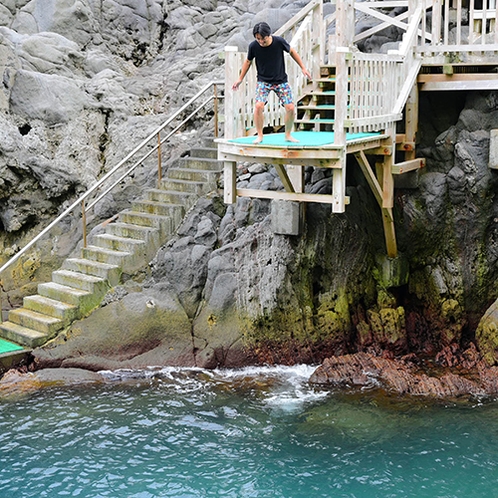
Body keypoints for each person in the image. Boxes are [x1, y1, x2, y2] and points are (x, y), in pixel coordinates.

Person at [232, 22, 312, 144]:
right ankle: (259, 135)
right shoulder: (253, 46)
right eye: (257, 39)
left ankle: (288, 135)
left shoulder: (279, 42)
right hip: (263, 81)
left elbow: (292, 52)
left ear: (269, 35)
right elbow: (247, 62)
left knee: (290, 107)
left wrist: (303, 68)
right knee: (259, 106)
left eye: (262, 38)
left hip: (280, 80)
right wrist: (240, 79)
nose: (260, 42)